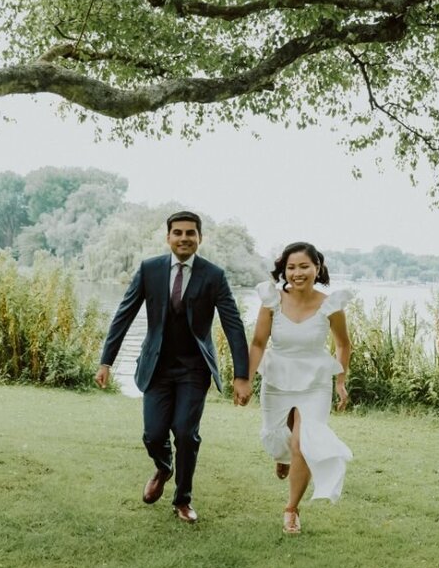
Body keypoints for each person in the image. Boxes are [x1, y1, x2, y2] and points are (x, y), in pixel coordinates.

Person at [96, 211, 252, 524]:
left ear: (199, 238)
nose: (184, 238)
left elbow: (233, 326)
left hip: (194, 370)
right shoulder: (149, 269)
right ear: (168, 237)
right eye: (178, 232)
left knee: (185, 432)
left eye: (190, 233)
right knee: (153, 434)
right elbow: (124, 315)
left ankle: (183, 500)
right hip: (157, 367)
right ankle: (163, 466)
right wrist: (106, 361)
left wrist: (242, 375)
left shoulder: (214, 275)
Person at [248, 242, 353, 534]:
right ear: (283, 271)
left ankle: (291, 509)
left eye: (304, 266)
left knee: (303, 443)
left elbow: (343, 345)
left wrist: (340, 381)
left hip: (315, 383)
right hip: (277, 378)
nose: (297, 273)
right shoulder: (272, 301)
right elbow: (258, 343)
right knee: (277, 436)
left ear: (317, 268)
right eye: (291, 267)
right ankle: (283, 458)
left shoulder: (330, 305)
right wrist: (243, 379)